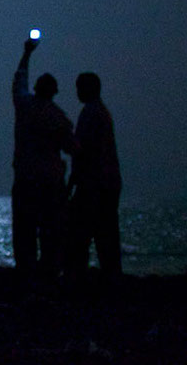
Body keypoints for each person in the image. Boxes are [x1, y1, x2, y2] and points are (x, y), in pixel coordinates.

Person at [11, 37, 76, 279]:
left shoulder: (24, 106)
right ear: (54, 92)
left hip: (26, 178)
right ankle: (49, 272)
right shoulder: (57, 117)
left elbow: (19, 79)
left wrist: (27, 53)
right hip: (50, 181)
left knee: (24, 231)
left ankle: (26, 272)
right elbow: (72, 147)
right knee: (51, 231)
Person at [67, 72, 122, 279]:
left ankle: (79, 277)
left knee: (80, 234)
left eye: (80, 87)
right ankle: (111, 276)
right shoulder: (102, 112)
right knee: (106, 234)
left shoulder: (90, 113)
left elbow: (82, 151)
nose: (77, 92)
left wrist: (72, 182)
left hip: (94, 184)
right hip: (106, 183)